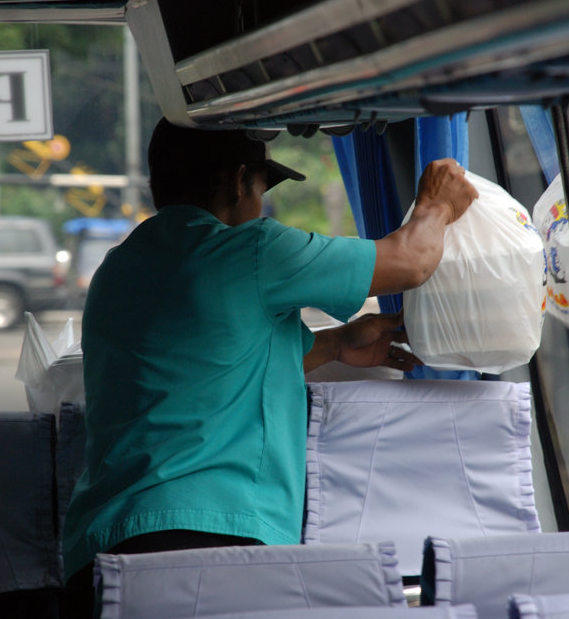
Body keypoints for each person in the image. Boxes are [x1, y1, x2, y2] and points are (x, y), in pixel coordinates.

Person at [62, 118, 478, 617]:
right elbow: (411, 261)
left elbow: (213, 363)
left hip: (102, 556)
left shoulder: (118, 269)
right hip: (212, 549)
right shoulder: (252, 249)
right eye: (260, 188)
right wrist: (438, 200)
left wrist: (339, 341)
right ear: (238, 181)